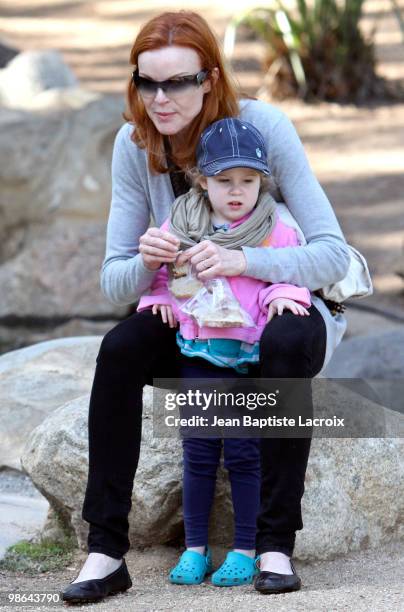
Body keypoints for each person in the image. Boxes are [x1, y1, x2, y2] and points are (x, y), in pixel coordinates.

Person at [61, 10, 349, 604]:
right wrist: (148, 260)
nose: (160, 99)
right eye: (147, 82)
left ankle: (274, 545)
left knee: (286, 344)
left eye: (177, 83)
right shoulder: (135, 143)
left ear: (209, 79)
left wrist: (247, 263)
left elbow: (332, 257)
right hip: (198, 317)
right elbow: (116, 283)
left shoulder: (263, 126)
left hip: (281, 307)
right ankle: (105, 551)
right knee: (120, 349)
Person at [136, 117, 311, 587]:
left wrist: (280, 298)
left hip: (247, 357)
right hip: (197, 354)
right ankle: (194, 549)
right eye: (224, 181)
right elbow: (159, 274)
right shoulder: (183, 222)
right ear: (201, 180)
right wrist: (157, 302)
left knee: (242, 453)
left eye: (248, 182)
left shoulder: (276, 229)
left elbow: (293, 278)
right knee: (197, 453)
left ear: (261, 183)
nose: (237, 192)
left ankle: (245, 548)